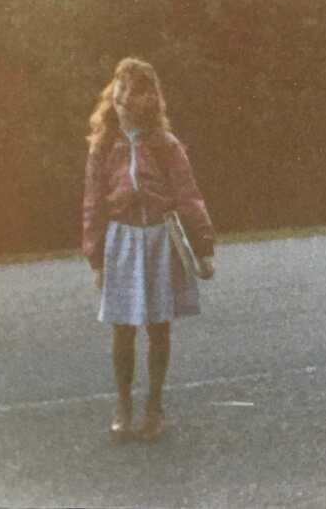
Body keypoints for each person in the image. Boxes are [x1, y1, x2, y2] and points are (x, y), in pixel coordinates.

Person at [82, 57, 215, 443]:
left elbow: (189, 195)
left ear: (147, 99)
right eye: (119, 88)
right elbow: (93, 202)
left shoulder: (165, 144)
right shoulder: (103, 145)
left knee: (159, 327)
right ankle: (124, 407)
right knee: (123, 329)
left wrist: (203, 244)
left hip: (159, 240)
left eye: (133, 91)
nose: (123, 97)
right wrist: (95, 256)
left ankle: (153, 408)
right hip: (121, 241)